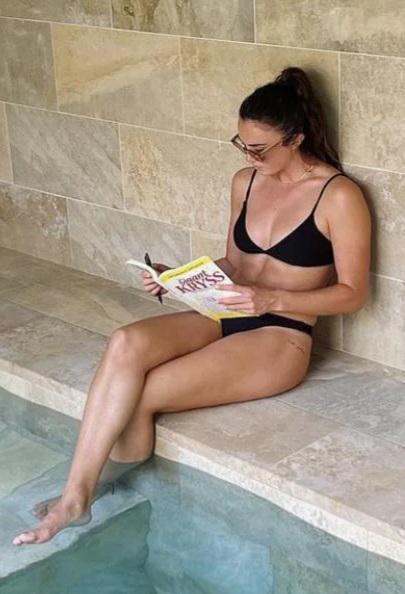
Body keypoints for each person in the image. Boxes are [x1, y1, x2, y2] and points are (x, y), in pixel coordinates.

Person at [12, 66, 371, 545]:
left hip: (280, 334)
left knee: (139, 392)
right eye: (242, 145)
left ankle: (86, 492)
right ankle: (77, 495)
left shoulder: (338, 196)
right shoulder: (245, 182)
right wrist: (177, 276)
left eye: (260, 149)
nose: (249, 157)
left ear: (296, 138)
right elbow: (236, 263)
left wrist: (272, 298)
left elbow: (353, 293)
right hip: (225, 309)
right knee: (124, 343)